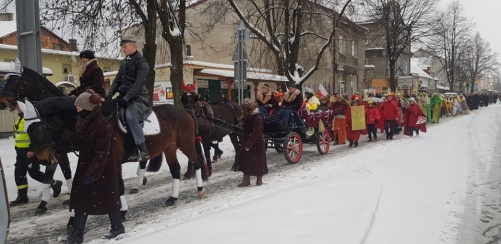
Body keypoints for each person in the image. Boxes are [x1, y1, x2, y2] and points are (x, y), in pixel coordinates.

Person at [64, 91, 124, 243]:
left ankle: (116, 227)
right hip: (86, 166)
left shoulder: (103, 126)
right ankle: (79, 233)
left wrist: (92, 174)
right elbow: (79, 140)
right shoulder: (84, 120)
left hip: (101, 169)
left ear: (87, 107)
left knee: (107, 198)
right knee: (84, 198)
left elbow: (102, 153)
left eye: (79, 106)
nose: (77, 109)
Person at [106, 35, 151, 161]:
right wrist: (110, 94)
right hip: (124, 96)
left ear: (133, 46)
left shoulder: (142, 63)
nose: (123, 50)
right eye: (122, 47)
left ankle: (143, 150)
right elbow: (117, 80)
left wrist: (126, 98)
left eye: (125, 47)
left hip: (138, 97)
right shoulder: (124, 62)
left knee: (130, 117)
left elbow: (138, 83)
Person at [9, 101, 62, 207]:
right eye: (16, 107)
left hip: (29, 152)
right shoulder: (20, 119)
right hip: (20, 151)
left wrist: (32, 150)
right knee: (19, 173)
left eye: (19, 106)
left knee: (33, 173)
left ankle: (54, 183)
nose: (17, 108)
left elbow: (35, 137)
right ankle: (22, 196)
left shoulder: (28, 120)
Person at [232, 98, 268, 187]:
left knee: (258, 161)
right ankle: (246, 180)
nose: (243, 110)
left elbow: (256, 132)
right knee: (245, 160)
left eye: (244, 108)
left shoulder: (257, 117)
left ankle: (259, 179)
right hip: (247, 140)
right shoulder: (247, 116)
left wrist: (248, 144)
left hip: (256, 143)